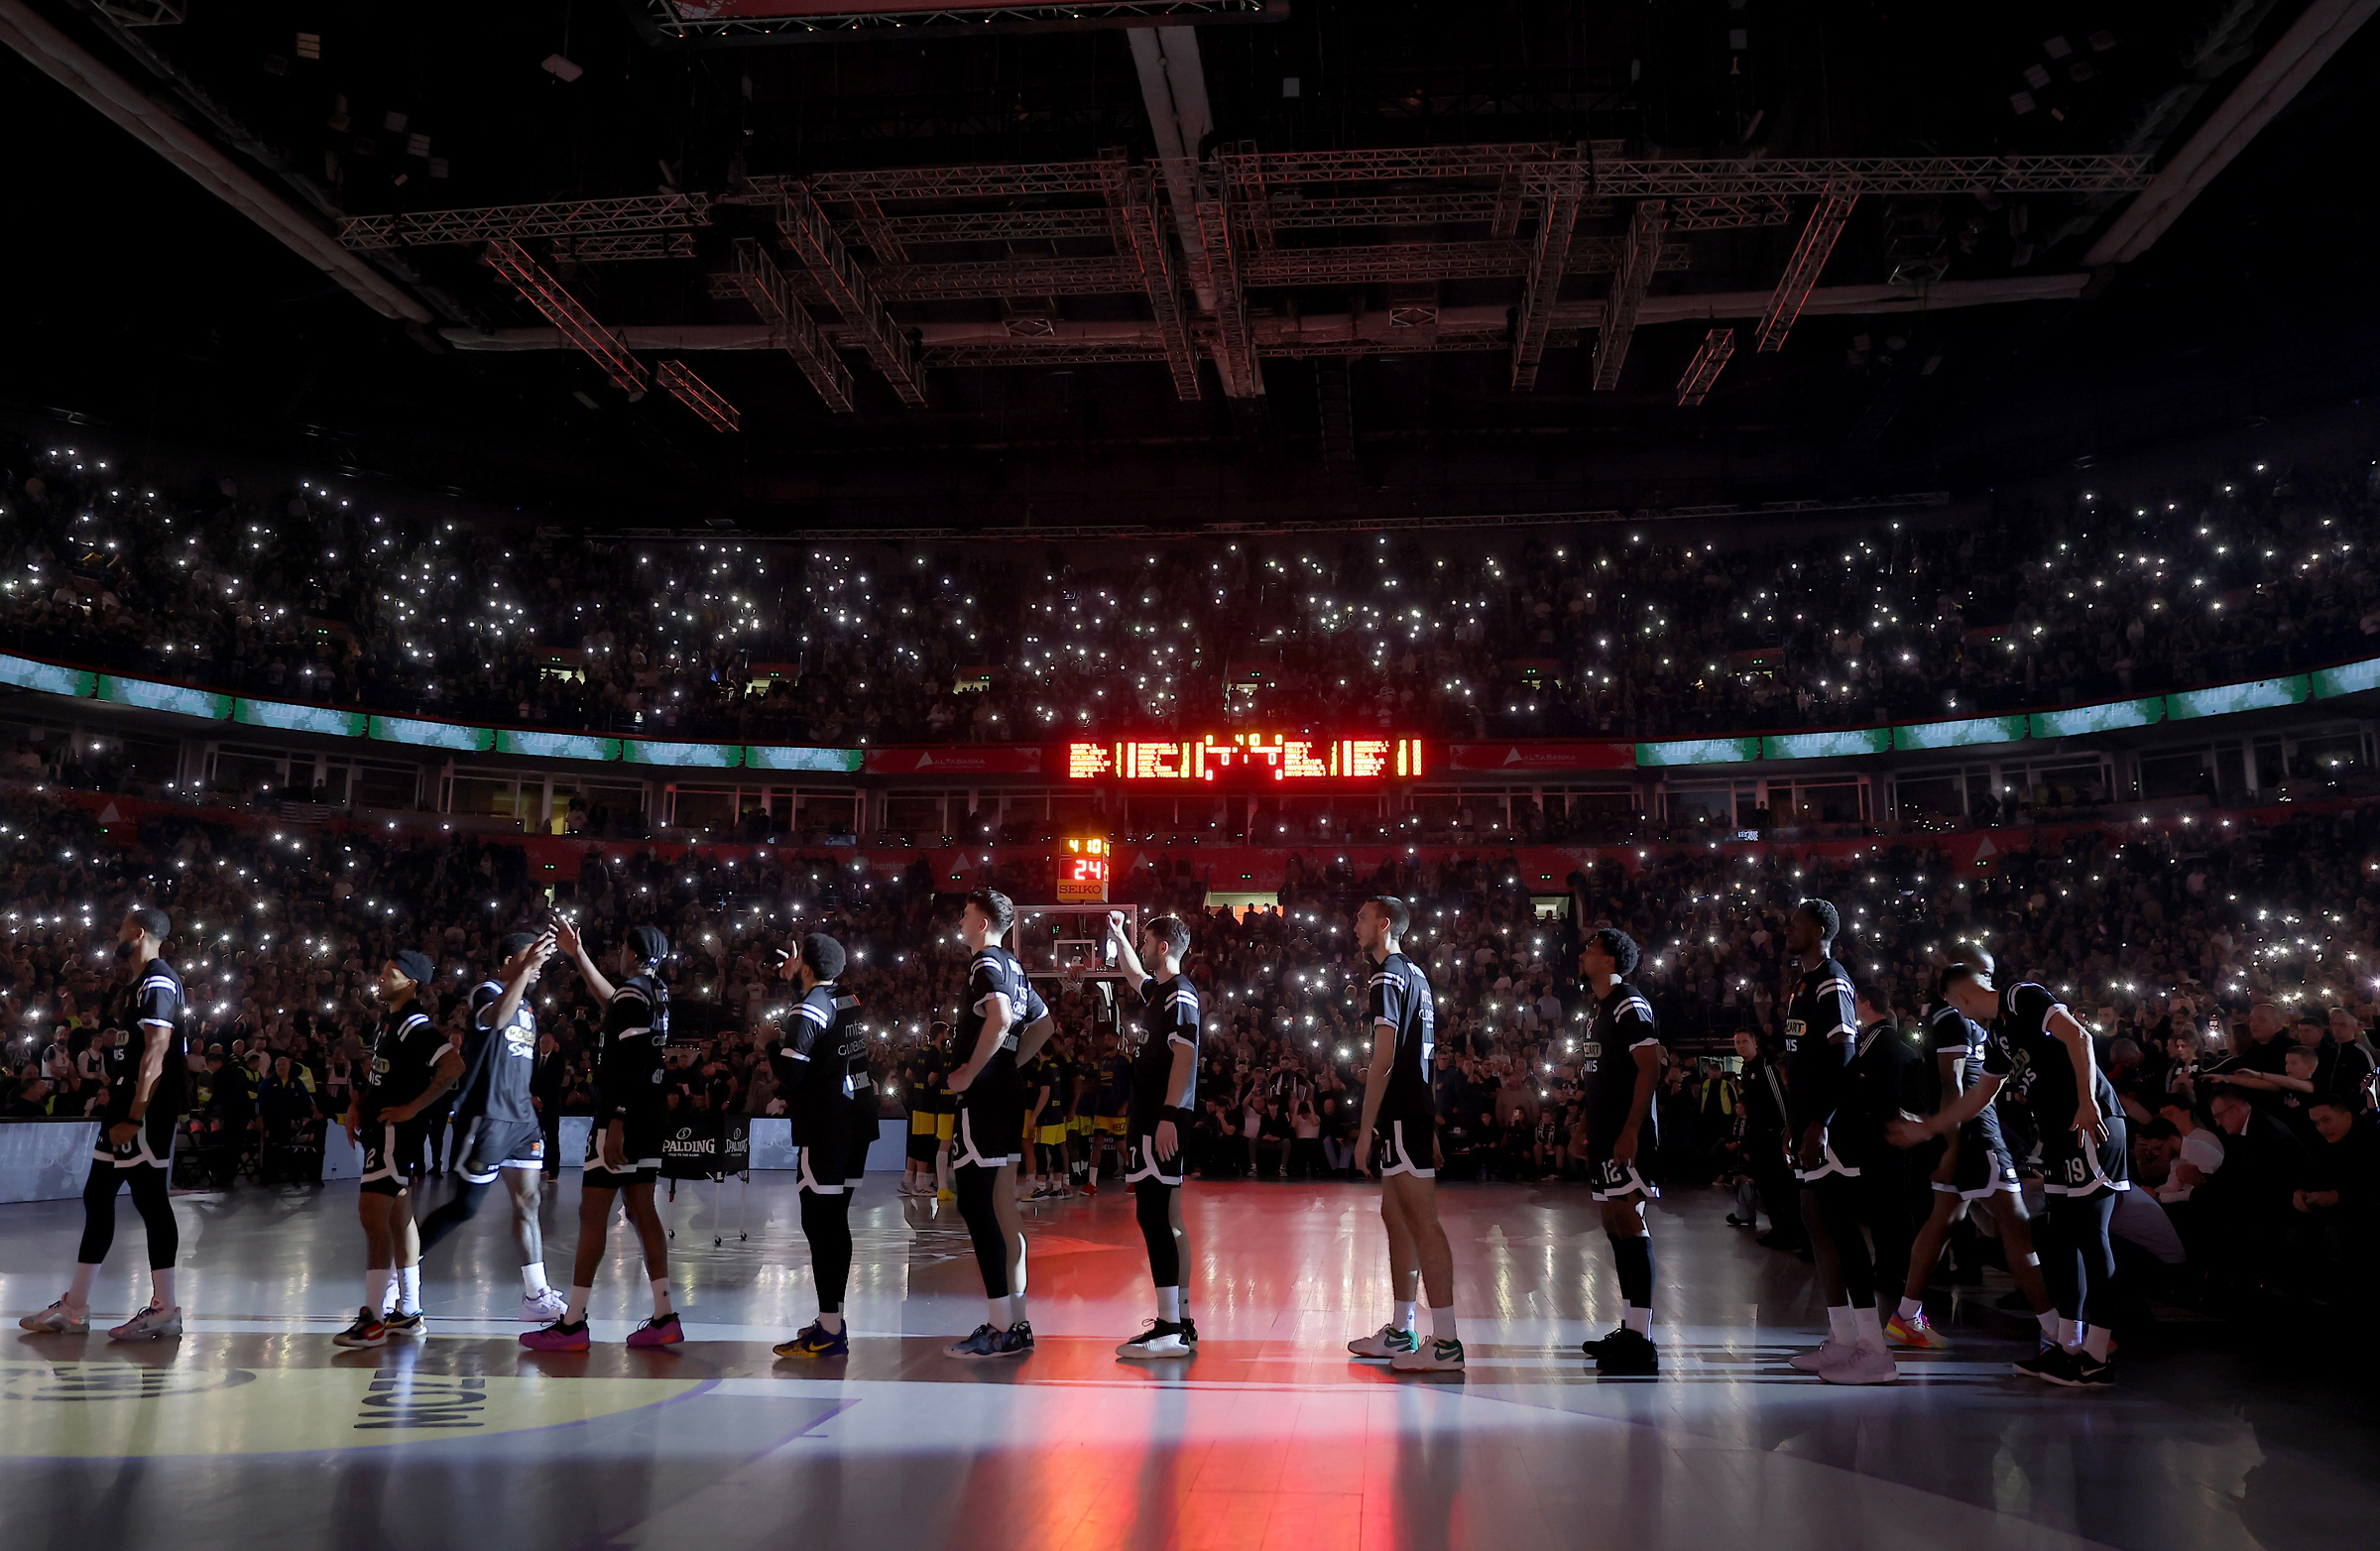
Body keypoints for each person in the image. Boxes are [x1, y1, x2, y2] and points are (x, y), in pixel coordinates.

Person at [1890, 956, 2131, 1387]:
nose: (1957, 1012)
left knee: (2091, 1239)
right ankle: (2067, 1348)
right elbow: (1979, 1095)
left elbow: (2079, 1037)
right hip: (2059, 1135)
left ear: (1959, 995)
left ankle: (2096, 1357)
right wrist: (1927, 1128)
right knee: (2061, 1243)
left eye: (1953, 1003)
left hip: (2089, 1124)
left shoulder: (2022, 997)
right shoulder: (1999, 1036)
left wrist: (2087, 1100)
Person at [19, 907, 188, 1342]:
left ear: (140, 931)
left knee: (151, 1202)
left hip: (144, 1112)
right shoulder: (134, 985)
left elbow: (156, 1052)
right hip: (125, 1108)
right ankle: (75, 1306)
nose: (117, 934)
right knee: (99, 1195)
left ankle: (165, 1308)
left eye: (121, 927)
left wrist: (134, 1116)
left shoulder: (158, 980)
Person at [1890, 947, 2060, 1354]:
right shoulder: (1954, 1019)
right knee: (2016, 1224)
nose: (1991, 982)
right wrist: (1952, 1146)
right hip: (1974, 1134)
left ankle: (1905, 1318)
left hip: (1962, 1130)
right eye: (1986, 973)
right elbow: (1951, 1083)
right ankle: (2056, 1331)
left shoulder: (1959, 1018)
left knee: (1943, 1220)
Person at [524, 922, 682, 1352]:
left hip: (624, 1116)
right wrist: (579, 955)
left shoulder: (633, 994)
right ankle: (665, 1314)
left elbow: (635, 1058)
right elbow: (612, 1002)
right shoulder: (652, 992)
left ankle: (573, 1323)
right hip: (651, 1116)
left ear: (634, 953)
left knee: (592, 1214)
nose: (618, 956)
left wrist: (617, 1118)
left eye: (622, 948)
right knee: (641, 1209)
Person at [415, 930, 564, 1324]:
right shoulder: (486, 991)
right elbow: (496, 1019)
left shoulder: (529, 1007)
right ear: (510, 959)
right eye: (531, 957)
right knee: (465, 1207)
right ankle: (403, 1271)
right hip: (488, 1117)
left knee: (529, 1203)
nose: (538, 967)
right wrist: (528, 966)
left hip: (522, 1120)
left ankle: (536, 1294)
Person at [1345, 895, 1465, 1373]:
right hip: (1411, 1112)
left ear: (1384, 923)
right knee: (1395, 1216)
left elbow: (1387, 1056)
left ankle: (1448, 1342)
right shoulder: (1414, 974)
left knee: (1422, 1220)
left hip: (1400, 1114)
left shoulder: (1387, 975)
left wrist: (1363, 1129)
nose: (1354, 925)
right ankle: (1402, 1329)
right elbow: (1424, 1058)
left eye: (1360, 916)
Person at [1779, 899, 1894, 1383]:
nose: (1789, 928)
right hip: (1809, 1123)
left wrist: (1819, 1122)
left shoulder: (1833, 978)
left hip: (1834, 1127)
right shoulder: (1801, 983)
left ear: (1821, 929)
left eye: (1797, 922)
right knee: (1814, 1220)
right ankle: (1842, 1337)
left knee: (1841, 1228)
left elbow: (1844, 1056)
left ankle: (1875, 1348)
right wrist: (1794, 1119)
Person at [943, 889, 1056, 1359]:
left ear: (983, 922)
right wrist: (1010, 1066)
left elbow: (1003, 1015)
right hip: (1006, 1094)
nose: (961, 919)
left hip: (984, 1098)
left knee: (975, 1204)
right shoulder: (1016, 967)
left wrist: (972, 1069)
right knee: (1002, 1207)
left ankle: (996, 1326)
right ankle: (1018, 1322)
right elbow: (1044, 1026)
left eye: (966, 913)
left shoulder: (985, 962)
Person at [333, 950, 461, 1349]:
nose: (380, 977)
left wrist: (413, 1107)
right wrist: (357, 1106)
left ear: (410, 984)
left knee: (372, 1214)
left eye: (390, 974)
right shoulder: (390, 1022)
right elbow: (381, 1076)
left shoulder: (413, 1023)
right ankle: (408, 1309)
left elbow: (453, 1066)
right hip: (380, 1126)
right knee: (399, 1219)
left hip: (393, 1133)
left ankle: (372, 1316)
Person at [771, 932, 875, 1359]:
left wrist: (768, 1044)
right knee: (837, 1223)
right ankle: (832, 1322)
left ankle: (829, 1331)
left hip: (827, 1128)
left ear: (808, 967)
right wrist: (799, 983)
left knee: (819, 1224)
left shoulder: (809, 1006)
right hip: (858, 1123)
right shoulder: (847, 999)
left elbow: (793, 1071)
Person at [1105, 910, 1202, 1360]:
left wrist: (1166, 1115)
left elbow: (1184, 1056)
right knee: (1167, 1218)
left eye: (1146, 941)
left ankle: (1169, 1328)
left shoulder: (1179, 995)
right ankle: (1180, 1320)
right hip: (1154, 1119)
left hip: (1160, 1121)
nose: (1142, 950)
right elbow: (1133, 972)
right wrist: (1120, 935)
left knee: (1154, 1217)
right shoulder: (1161, 991)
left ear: (1163, 947)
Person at [1574, 928, 1663, 1376]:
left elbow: (1650, 1067)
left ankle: (1643, 1341)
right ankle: (1630, 1328)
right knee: (1613, 1221)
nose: (1583, 954)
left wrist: (1632, 1129)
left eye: (1592, 948)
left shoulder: (1630, 1002)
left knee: (1631, 1220)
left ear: (1610, 960)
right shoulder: (1598, 1011)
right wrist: (1582, 1125)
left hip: (1626, 1135)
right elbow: (1599, 1076)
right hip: (1603, 1133)